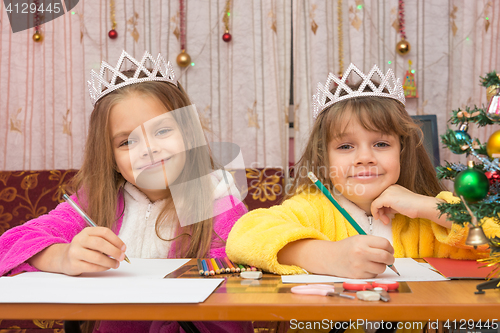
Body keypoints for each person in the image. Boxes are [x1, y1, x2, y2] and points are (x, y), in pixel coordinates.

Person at [0, 50, 253, 333]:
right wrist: (64, 256)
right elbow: (10, 244)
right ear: (112, 160)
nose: (149, 149)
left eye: (162, 131)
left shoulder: (218, 201)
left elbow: (233, 302)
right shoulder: (97, 201)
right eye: (126, 142)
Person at [227, 63, 499, 280]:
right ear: (324, 157)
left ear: (402, 151)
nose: (365, 158)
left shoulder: (427, 218)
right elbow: (243, 237)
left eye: (381, 144)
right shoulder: (311, 210)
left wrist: (428, 206)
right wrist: (328, 256)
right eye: (345, 146)